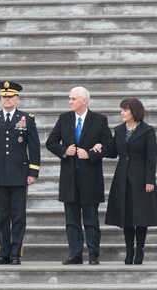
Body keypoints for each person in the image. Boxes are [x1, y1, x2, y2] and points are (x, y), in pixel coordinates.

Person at [45, 86, 113, 265]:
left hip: (90, 179)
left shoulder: (99, 120)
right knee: (72, 220)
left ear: (84, 100)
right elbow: (50, 142)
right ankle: (75, 254)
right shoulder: (64, 118)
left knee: (91, 219)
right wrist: (64, 150)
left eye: (73, 99)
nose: (70, 101)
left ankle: (93, 254)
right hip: (69, 179)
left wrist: (91, 154)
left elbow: (111, 147)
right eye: (69, 98)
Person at [0, 81, 40, 265]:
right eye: (4, 96)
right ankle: (3, 252)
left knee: (18, 216)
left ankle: (15, 253)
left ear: (17, 98)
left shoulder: (27, 119)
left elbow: (34, 147)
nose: (6, 99)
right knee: (0, 216)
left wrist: (33, 172)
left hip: (19, 173)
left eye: (10, 96)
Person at [104, 98, 157, 265]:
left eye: (125, 110)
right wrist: (99, 148)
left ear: (134, 112)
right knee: (127, 215)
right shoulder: (119, 130)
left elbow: (151, 158)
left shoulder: (147, 131)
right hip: (122, 177)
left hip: (140, 177)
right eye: (121, 110)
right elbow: (113, 152)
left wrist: (149, 180)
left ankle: (140, 250)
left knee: (140, 216)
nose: (121, 113)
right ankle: (129, 249)